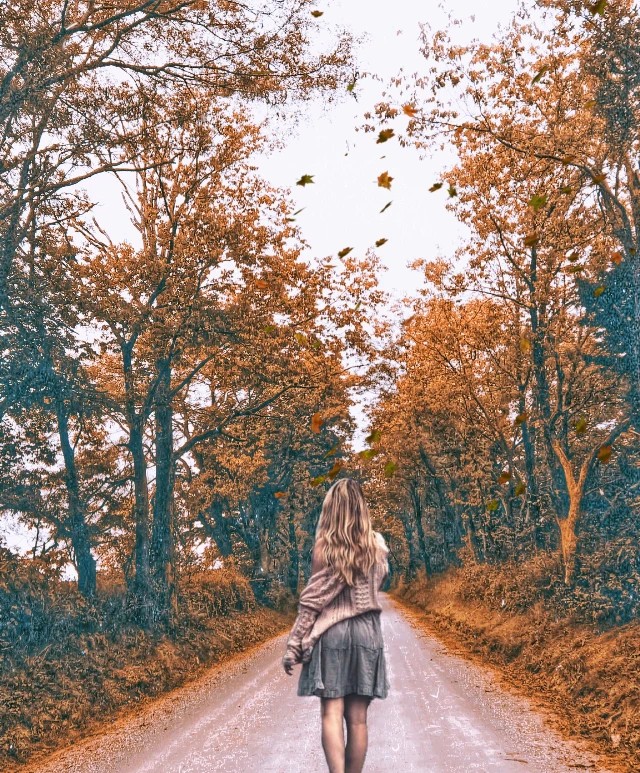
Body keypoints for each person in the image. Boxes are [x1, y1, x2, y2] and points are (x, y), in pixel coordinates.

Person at [282, 477, 390, 773]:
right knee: (358, 720)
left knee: (331, 712)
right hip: (368, 634)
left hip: (333, 634)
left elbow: (312, 601)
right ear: (361, 508)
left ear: (331, 509)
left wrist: (294, 644)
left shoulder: (325, 549)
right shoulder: (378, 546)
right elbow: (378, 582)